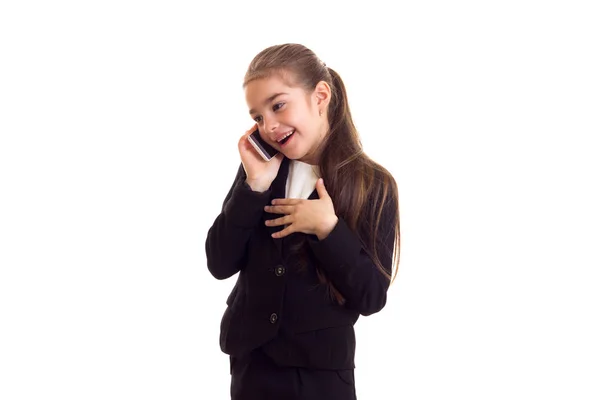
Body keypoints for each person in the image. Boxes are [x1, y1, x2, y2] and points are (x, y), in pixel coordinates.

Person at [205, 43, 401, 400]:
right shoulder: (259, 171)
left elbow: (372, 296)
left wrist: (329, 230)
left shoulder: (372, 184)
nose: (269, 126)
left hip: (321, 377)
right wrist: (253, 188)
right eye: (258, 117)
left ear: (320, 96)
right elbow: (219, 263)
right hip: (253, 369)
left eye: (278, 105)